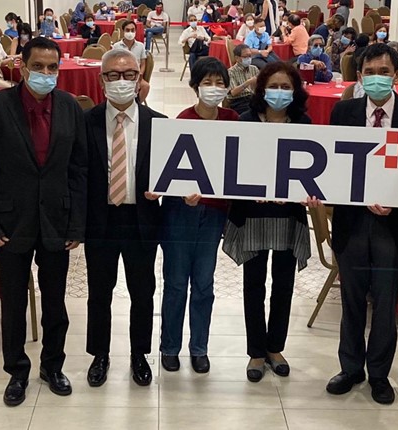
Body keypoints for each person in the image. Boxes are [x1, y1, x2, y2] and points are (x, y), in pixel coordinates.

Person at [0, 36, 87, 407]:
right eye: (38, 67)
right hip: (10, 224)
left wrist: (76, 224)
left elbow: (79, 171)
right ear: (21, 67)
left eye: (53, 68)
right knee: (14, 305)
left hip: (56, 220)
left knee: (55, 304)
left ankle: (52, 365)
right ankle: (17, 372)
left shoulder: (69, 107)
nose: (46, 74)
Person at [324, 43, 398, 405]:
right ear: (359, 76)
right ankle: (350, 367)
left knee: (385, 304)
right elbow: (333, 167)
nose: (376, 79)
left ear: (397, 75)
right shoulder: (344, 111)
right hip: (353, 221)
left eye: (383, 72)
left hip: (394, 225)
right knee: (352, 300)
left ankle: (380, 374)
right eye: (369, 72)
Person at [222, 61, 311, 383]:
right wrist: (248, 190)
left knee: (284, 285)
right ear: (261, 90)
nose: (279, 92)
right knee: (253, 285)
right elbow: (231, 169)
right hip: (253, 215)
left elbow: (314, 170)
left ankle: (276, 348)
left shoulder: (304, 123)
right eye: (273, 86)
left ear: (295, 91)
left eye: (286, 87)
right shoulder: (245, 121)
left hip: (289, 216)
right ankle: (256, 352)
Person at [84, 48, 165, 389]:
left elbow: (172, 174)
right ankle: (99, 354)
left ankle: (139, 354)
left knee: (142, 292)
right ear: (102, 80)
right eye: (113, 75)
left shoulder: (159, 124)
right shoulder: (85, 122)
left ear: (139, 77)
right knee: (99, 292)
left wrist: (166, 189)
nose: (122, 81)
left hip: (141, 220)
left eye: (129, 74)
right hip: (100, 219)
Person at [159, 57, 238, 374]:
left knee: (204, 283)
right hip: (181, 212)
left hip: (214, 213)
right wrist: (179, 191)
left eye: (220, 82)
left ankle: (199, 347)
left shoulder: (234, 120)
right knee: (176, 282)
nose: (214, 88)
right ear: (195, 87)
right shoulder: (182, 120)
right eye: (208, 82)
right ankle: (169, 346)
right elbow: (169, 171)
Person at [112, 20, 151, 103]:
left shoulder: (140, 46)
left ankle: (137, 105)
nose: (130, 32)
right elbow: (113, 64)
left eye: (132, 30)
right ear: (123, 31)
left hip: (136, 75)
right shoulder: (116, 46)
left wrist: (139, 75)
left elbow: (143, 63)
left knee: (146, 86)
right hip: (121, 75)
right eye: (127, 30)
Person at [227, 43, 259, 114]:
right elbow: (233, 92)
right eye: (245, 57)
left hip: (253, 98)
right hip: (239, 101)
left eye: (250, 56)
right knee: (252, 112)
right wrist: (248, 83)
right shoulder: (231, 72)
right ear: (237, 58)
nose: (248, 59)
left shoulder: (254, 68)